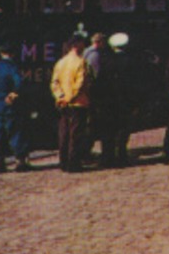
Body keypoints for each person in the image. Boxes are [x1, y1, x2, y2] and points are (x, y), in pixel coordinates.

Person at [50, 36, 92, 172]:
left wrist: (60, 97)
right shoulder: (81, 62)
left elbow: (54, 82)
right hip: (77, 103)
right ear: (77, 45)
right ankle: (74, 163)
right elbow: (80, 84)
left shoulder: (60, 62)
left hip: (62, 103)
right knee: (76, 134)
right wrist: (70, 98)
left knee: (64, 132)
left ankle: (63, 162)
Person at [101, 32, 136, 166]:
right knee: (123, 129)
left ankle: (107, 157)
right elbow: (133, 84)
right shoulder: (130, 61)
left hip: (108, 101)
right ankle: (121, 156)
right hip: (124, 101)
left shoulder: (105, 60)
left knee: (108, 129)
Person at [84, 32, 115, 165]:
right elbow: (97, 76)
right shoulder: (95, 55)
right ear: (100, 42)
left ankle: (85, 151)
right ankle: (87, 152)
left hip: (87, 94)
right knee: (97, 124)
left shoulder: (86, 52)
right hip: (96, 95)